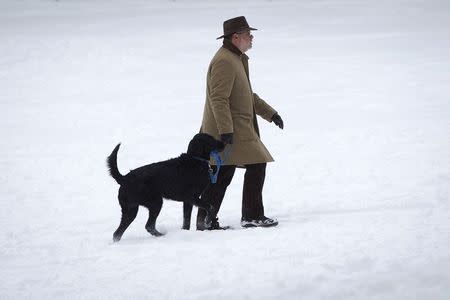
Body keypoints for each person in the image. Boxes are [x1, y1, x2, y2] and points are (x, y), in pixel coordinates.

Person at [197, 16, 284, 230]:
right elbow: (219, 98)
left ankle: (205, 220)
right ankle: (250, 216)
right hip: (228, 130)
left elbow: (246, 94)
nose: (252, 37)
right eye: (248, 34)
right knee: (252, 165)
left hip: (235, 129)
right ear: (236, 37)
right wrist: (226, 131)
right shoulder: (225, 61)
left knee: (223, 173)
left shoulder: (235, 58)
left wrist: (270, 114)